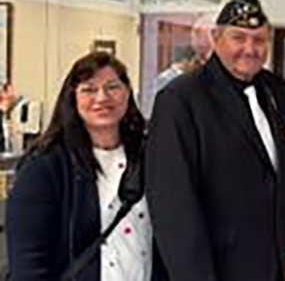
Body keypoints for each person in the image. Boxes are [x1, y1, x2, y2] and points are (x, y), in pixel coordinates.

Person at [147, 0, 285, 281]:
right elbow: (173, 203)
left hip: (274, 263)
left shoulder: (280, 93)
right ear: (216, 38)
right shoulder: (180, 99)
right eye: (239, 38)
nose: (250, 49)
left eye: (259, 40)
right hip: (216, 268)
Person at [6, 52, 166, 281]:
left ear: (128, 93)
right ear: (73, 98)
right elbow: (28, 260)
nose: (102, 98)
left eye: (112, 87)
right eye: (89, 90)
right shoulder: (45, 166)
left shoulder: (151, 155)